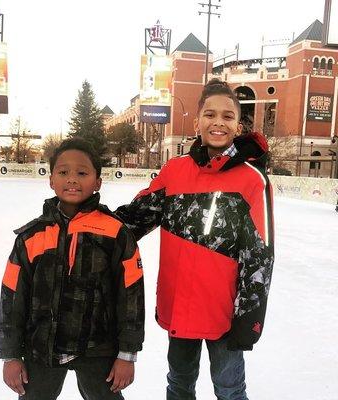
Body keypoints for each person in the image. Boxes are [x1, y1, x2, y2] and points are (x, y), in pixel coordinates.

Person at [115, 78, 274, 400]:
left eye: (228, 116)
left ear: (239, 124)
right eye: (210, 114)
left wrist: (249, 317)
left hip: (224, 311)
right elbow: (135, 219)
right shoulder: (174, 171)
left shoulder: (251, 179)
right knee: (179, 383)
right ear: (198, 119)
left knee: (230, 390)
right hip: (180, 306)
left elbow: (260, 254)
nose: (218, 122)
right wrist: (86, 218)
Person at [0, 138, 145, 400]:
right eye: (63, 172)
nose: (72, 179)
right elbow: (12, 296)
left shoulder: (115, 232)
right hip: (42, 347)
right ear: (51, 179)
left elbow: (131, 295)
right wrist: (10, 354)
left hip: (98, 348)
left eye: (82, 173)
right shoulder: (31, 237)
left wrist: (127, 353)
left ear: (98, 181)